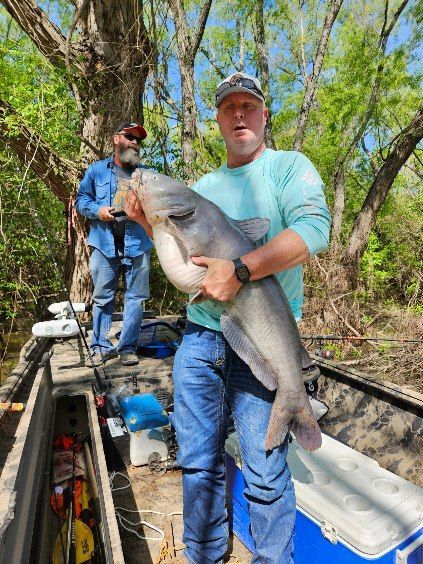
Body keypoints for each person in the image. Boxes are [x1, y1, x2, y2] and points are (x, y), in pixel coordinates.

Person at [127, 73, 331, 563]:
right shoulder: (202, 187)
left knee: (264, 475)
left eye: (249, 106)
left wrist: (241, 269)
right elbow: (182, 267)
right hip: (199, 340)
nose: (239, 114)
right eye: (229, 108)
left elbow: (315, 230)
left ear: (264, 114)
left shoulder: (288, 168)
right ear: (218, 120)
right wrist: (146, 220)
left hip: (265, 342)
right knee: (198, 466)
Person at [75, 122, 152, 367]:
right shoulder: (97, 171)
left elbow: (159, 205)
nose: (135, 143)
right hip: (104, 243)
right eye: (130, 137)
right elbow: (81, 200)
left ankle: (128, 348)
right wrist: (98, 210)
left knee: (136, 298)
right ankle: (99, 348)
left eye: (138, 140)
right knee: (102, 297)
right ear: (116, 138)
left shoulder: (146, 173)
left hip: (138, 243)